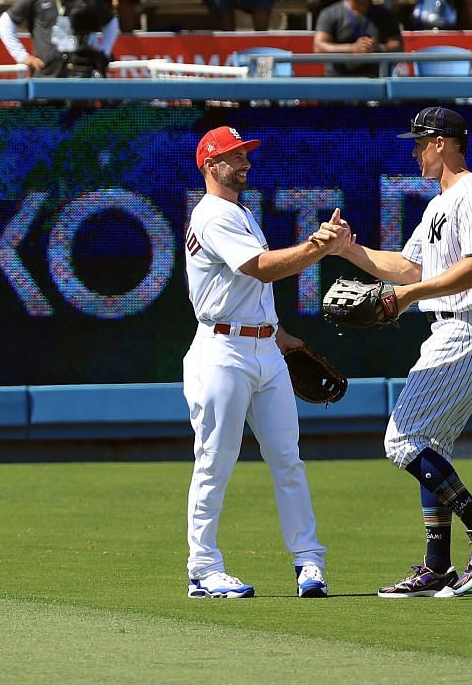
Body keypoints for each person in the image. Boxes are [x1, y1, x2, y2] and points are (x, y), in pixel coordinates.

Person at [320, 106, 472, 598]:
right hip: (457, 328)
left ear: (442, 143)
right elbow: (409, 268)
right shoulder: (438, 203)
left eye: (418, 142)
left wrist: (409, 298)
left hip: (471, 328)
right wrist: (349, 250)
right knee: (429, 444)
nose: (413, 152)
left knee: (401, 440)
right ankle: (437, 566)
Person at [180, 123, 332, 600]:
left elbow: (246, 292)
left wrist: (282, 338)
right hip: (222, 353)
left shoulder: (241, 213)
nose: (245, 161)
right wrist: (317, 247)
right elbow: (260, 268)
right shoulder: (213, 214)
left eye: (246, 153)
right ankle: (203, 568)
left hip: (263, 348)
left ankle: (309, 562)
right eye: (234, 155)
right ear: (210, 164)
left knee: (288, 460)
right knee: (215, 462)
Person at [313, 0, 403, 76]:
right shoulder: (330, 13)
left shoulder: (385, 15)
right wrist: (351, 48)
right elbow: (319, 46)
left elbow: (398, 46)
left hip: (375, 80)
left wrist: (378, 48)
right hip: (339, 80)